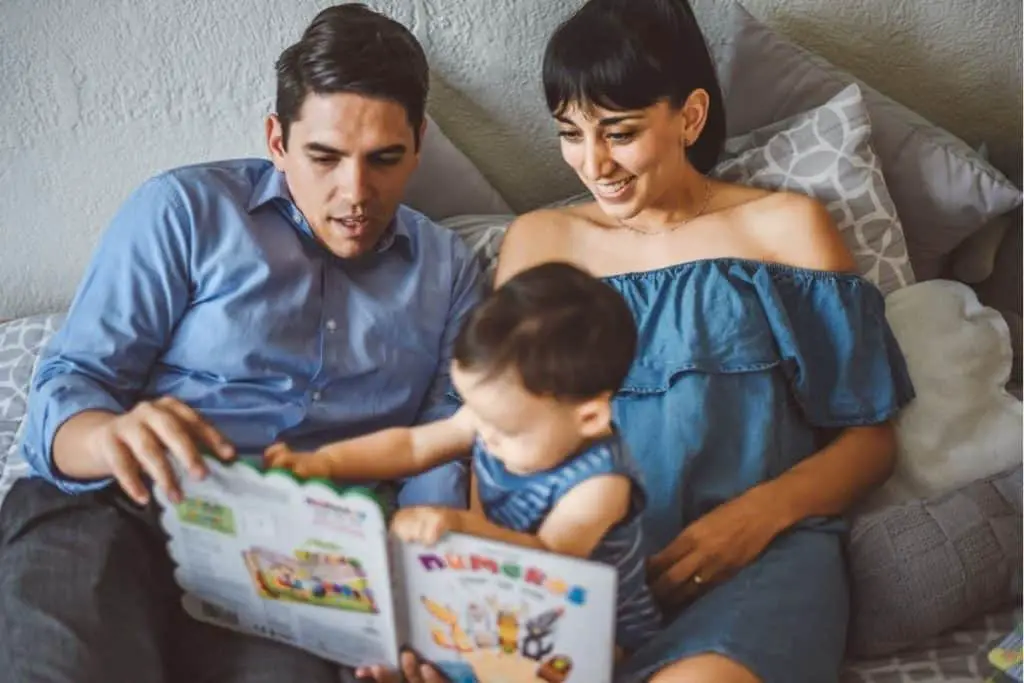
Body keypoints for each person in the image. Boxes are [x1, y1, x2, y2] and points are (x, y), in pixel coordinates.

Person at [0, 5, 481, 683]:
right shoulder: (184, 210)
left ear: (419, 145)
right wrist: (110, 436)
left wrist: (423, 614)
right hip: (116, 507)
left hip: (290, 555)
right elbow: (70, 384)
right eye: (325, 157)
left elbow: (442, 450)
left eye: (385, 160)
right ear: (277, 141)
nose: (356, 192)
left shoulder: (449, 272)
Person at [485, 1, 915, 682]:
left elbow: (870, 439)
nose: (594, 163)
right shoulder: (539, 243)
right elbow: (497, 439)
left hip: (759, 559)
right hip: (587, 573)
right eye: (571, 134)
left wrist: (758, 516)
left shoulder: (785, 230)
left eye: (619, 132)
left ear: (688, 116)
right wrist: (509, 580)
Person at [266, 261, 664, 666]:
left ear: (590, 417)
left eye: (505, 431)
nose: (484, 438)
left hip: (592, 622)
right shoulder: (499, 415)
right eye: (477, 416)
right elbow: (412, 446)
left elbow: (549, 561)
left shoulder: (600, 486)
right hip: (503, 589)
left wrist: (460, 526)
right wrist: (327, 463)